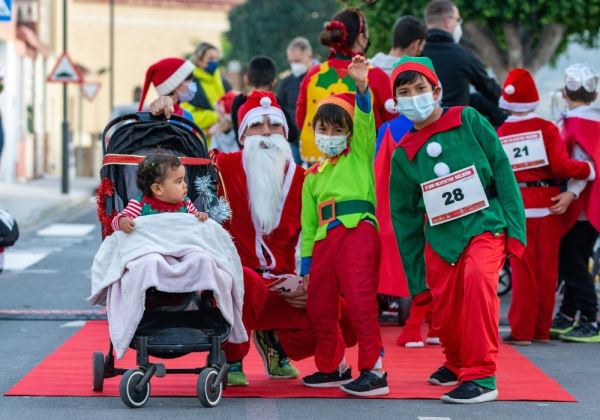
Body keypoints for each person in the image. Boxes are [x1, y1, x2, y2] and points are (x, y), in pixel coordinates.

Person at [148, 91, 356, 387]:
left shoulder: (306, 179)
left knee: (345, 318)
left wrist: (311, 280)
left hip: (284, 284)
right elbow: (175, 165)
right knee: (244, 279)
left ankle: (276, 344)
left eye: (275, 125)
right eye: (257, 126)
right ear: (243, 135)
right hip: (233, 282)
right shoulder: (220, 167)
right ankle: (230, 358)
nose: (267, 133)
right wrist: (166, 116)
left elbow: (317, 238)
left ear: (286, 134)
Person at [389, 56, 526, 403]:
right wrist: (415, 280)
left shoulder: (468, 119)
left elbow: (503, 171)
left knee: (478, 281)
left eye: (419, 88)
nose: (413, 97)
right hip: (441, 239)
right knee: (445, 310)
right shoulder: (403, 155)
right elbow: (404, 220)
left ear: (436, 89)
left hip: (485, 224)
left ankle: (481, 376)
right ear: (397, 101)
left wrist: (516, 230)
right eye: (404, 92)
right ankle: (456, 361)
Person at [300, 56, 388, 397]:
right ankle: (333, 366)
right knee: (319, 305)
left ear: (349, 133)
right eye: (324, 129)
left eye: (338, 129)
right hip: (324, 240)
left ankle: (374, 370)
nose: (330, 134)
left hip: (358, 232)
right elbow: (308, 226)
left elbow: (366, 122)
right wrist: (305, 264)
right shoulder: (311, 176)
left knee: (360, 299)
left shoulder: (359, 153)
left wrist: (362, 87)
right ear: (314, 130)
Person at [495, 69, 593, 346]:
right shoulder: (547, 128)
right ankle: (540, 328)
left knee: (522, 270)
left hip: (517, 208)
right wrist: (588, 169)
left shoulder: (501, 132)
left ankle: (522, 331)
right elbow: (561, 166)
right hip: (549, 207)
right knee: (547, 270)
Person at [296, 8, 395, 164]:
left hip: (316, 162)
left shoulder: (313, 75)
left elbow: (300, 119)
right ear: (361, 38)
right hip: (358, 163)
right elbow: (392, 123)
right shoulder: (375, 76)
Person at [550, 63, 600, 343]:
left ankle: (591, 319)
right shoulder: (592, 119)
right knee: (576, 260)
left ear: (565, 92)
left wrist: (571, 193)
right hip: (588, 203)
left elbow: (583, 164)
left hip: (580, 205)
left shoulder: (577, 122)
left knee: (571, 262)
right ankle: (568, 315)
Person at [422, 0, 505, 126]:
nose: (458, 24)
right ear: (447, 21)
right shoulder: (464, 56)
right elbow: (491, 90)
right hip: (456, 132)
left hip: (421, 131)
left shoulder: (414, 55)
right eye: (458, 20)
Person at [111, 153, 208, 233]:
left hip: (180, 244)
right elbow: (115, 221)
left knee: (198, 255)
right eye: (179, 181)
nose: (185, 185)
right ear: (157, 189)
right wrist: (121, 221)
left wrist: (200, 216)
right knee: (153, 257)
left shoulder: (186, 204)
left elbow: (195, 224)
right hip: (151, 247)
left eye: (183, 180)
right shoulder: (139, 204)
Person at [231, 56, 299, 150]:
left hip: (247, 159)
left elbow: (237, 137)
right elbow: (292, 134)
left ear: (246, 80)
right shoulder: (275, 103)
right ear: (274, 82)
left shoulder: (239, 102)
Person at [181, 42, 231, 138]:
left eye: (217, 58)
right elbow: (186, 116)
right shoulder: (189, 82)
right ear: (199, 60)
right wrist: (215, 116)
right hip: (200, 141)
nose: (215, 62)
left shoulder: (220, 79)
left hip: (220, 141)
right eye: (211, 58)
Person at [278, 37, 315, 165]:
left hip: (316, 140)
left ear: (309, 55)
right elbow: (280, 109)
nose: (295, 65)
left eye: (298, 61)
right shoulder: (286, 82)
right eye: (292, 61)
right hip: (294, 141)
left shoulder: (320, 78)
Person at [137, 57, 196, 122]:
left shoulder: (188, 117)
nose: (193, 84)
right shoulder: (151, 115)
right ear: (175, 84)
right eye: (190, 80)